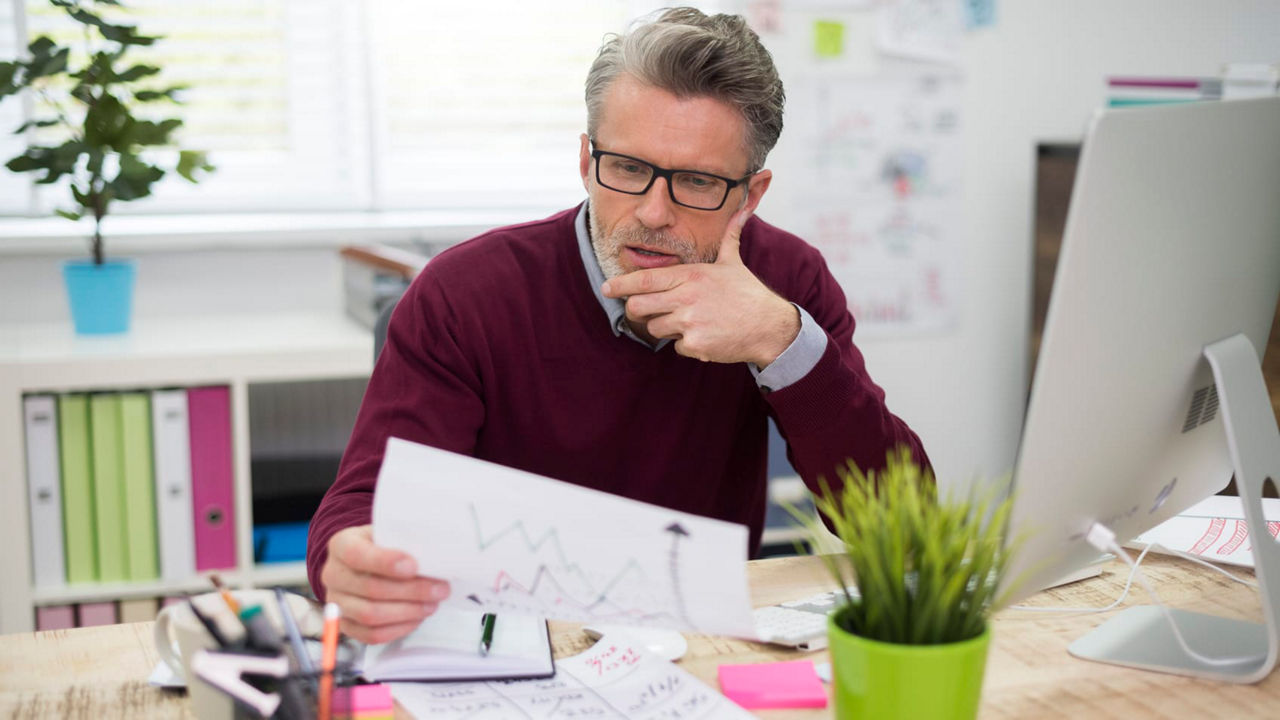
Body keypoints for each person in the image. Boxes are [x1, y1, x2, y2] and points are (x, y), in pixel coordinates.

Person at [308, 7, 929, 644]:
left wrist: (781, 340)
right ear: (585, 160)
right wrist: (351, 563)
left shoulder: (786, 280)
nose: (653, 213)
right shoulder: (464, 294)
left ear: (751, 194)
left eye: (696, 181)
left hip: (699, 644)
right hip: (516, 643)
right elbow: (361, 509)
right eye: (628, 169)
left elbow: (902, 531)